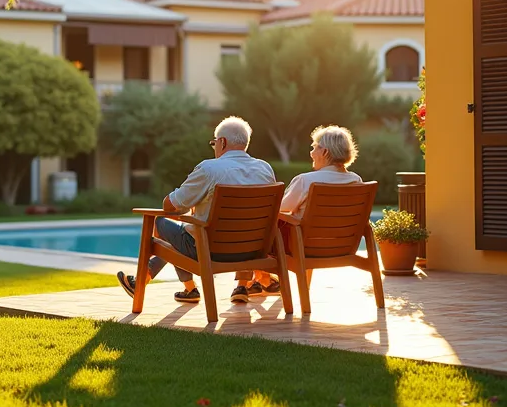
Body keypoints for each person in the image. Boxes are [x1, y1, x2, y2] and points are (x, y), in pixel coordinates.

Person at [116, 116, 276, 304]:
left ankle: (165, 284)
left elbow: (170, 205)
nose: (214, 147)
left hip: (210, 251)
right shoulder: (264, 169)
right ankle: (184, 289)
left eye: (214, 143)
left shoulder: (210, 169)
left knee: (160, 222)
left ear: (222, 142)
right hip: (253, 250)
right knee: (185, 230)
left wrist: (192, 200)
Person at [235, 125, 363, 302]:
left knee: (258, 225)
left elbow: (276, 209)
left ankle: (251, 281)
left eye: (314, 147)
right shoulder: (356, 181)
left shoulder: (306, 181)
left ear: (325, 152)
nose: (311, 153)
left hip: (302, 247)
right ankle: (261, 279)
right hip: (343, 246)